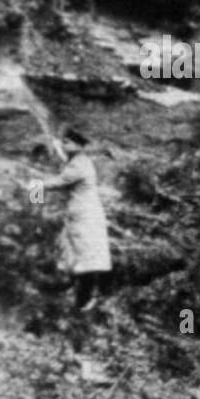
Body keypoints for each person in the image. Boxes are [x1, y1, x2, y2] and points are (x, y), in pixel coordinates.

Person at [41, 128, 112, 312]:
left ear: (78, 146)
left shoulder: (78, 165)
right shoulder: (79, 161)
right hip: (83, 214)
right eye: (63, 142)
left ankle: (85, 300)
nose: (64, 145)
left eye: (68, 142)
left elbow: (59, 182)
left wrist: (34, 187)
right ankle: (79, 293)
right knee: (77, 253)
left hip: (85, 216)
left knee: (86, 257)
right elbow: (63, 161)